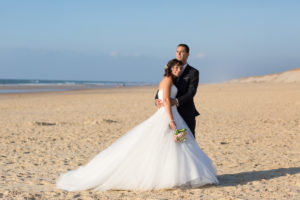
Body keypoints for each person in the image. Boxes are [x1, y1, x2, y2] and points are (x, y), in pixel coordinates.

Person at [56, 59, 218, 191]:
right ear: (169, 69)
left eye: (179, 67)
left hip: (173, 115)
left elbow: (167, 98)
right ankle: (179, 175)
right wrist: (171, 120)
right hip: (169, 116)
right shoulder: (167, 80)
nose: (177, 69)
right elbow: (167, 101)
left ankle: (183, 175)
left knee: (180, 143)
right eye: (175, 67)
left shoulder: (169, 80)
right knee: (175, 143)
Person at [155, 44, 199, 138]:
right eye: (177, 51)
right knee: (170, 141)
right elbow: (162, 88)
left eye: (182, 52)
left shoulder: (193, 72)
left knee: (187, 140)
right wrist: (156, 99)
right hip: (169, 113)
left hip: (186, 113)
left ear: (187, 54)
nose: (179, 54)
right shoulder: (170, 71)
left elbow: (191, 92)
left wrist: (176, 101)